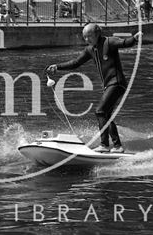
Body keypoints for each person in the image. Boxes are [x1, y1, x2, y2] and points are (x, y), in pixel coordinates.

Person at [46, 24, 142, 153]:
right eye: (84, 37)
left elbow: (125, 43)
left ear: (97, 34)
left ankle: (105, 145)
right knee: (105, 114)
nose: (86, 40)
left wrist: (135, 39)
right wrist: (58, 66)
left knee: (100, 111)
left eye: (89, 36)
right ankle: (117, 146)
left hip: (117, 83)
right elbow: (75, 63)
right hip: (109, 85)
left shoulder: (109, 42)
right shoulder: (90, 49)